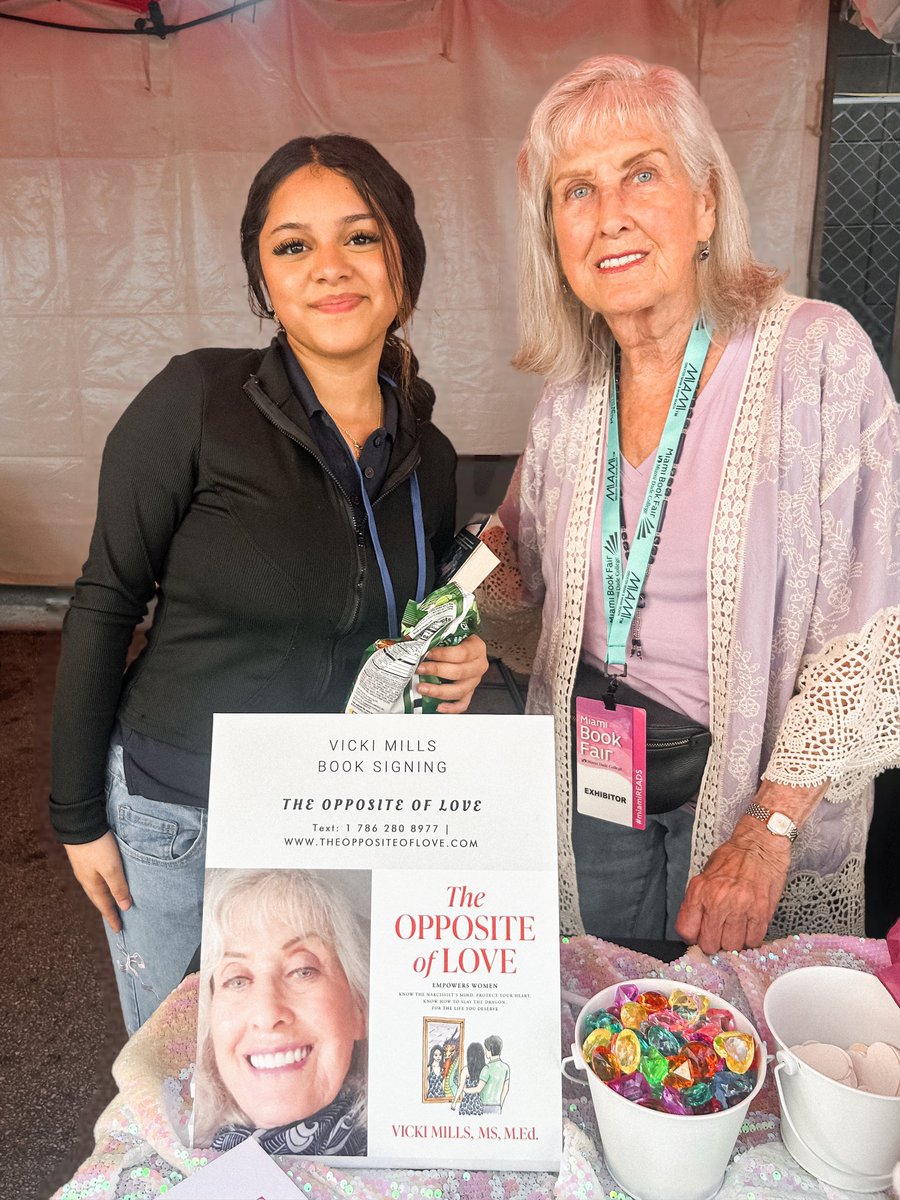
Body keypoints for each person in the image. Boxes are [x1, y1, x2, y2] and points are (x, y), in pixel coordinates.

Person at [50, 134, 489, 1035]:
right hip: (183, 814)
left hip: (336, 813)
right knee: (183, 1071)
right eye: (294, 245)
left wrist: (459, 660)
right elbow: (105, 601)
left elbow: (408, 621)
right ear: (263, 277)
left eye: (360, 237)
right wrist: (76, 816)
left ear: (403, 258)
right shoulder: (196, 401)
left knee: (307, 1066)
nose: (330, 267)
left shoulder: (431, 458)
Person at [480, 55, 900, 952]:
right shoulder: (569, 395)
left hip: (750, 793)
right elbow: (522, 576)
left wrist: (770, 828)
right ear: (554, 234)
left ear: (705, 204)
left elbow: (873, 629)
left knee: (730, 1020)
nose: (610, 214)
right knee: (599, 994)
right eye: (577, 190)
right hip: (595, 773)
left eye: (641, 174)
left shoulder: (816, 358)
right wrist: (471, 576)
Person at [193, 869, 368, 1155]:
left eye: (302, 971)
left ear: (359, 1008)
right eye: (237, 980)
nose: (267, 1014)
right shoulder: (149, 1144)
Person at [450, 1041, 486, 1116]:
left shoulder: (466, 1070)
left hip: (466, 1103)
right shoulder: (484, 1070)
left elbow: (460, 1088)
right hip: (478, 1104)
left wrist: (454, 1102)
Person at [479, 1034, 509, 1113]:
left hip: (483, 1106)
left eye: (486, 1049)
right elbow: (505, 1089)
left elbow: (479, 1089)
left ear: (490, 1050)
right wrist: (500, 1105)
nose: (485, 1052)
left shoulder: (486, 1068)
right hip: (497, 1107)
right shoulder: (506, 1067)